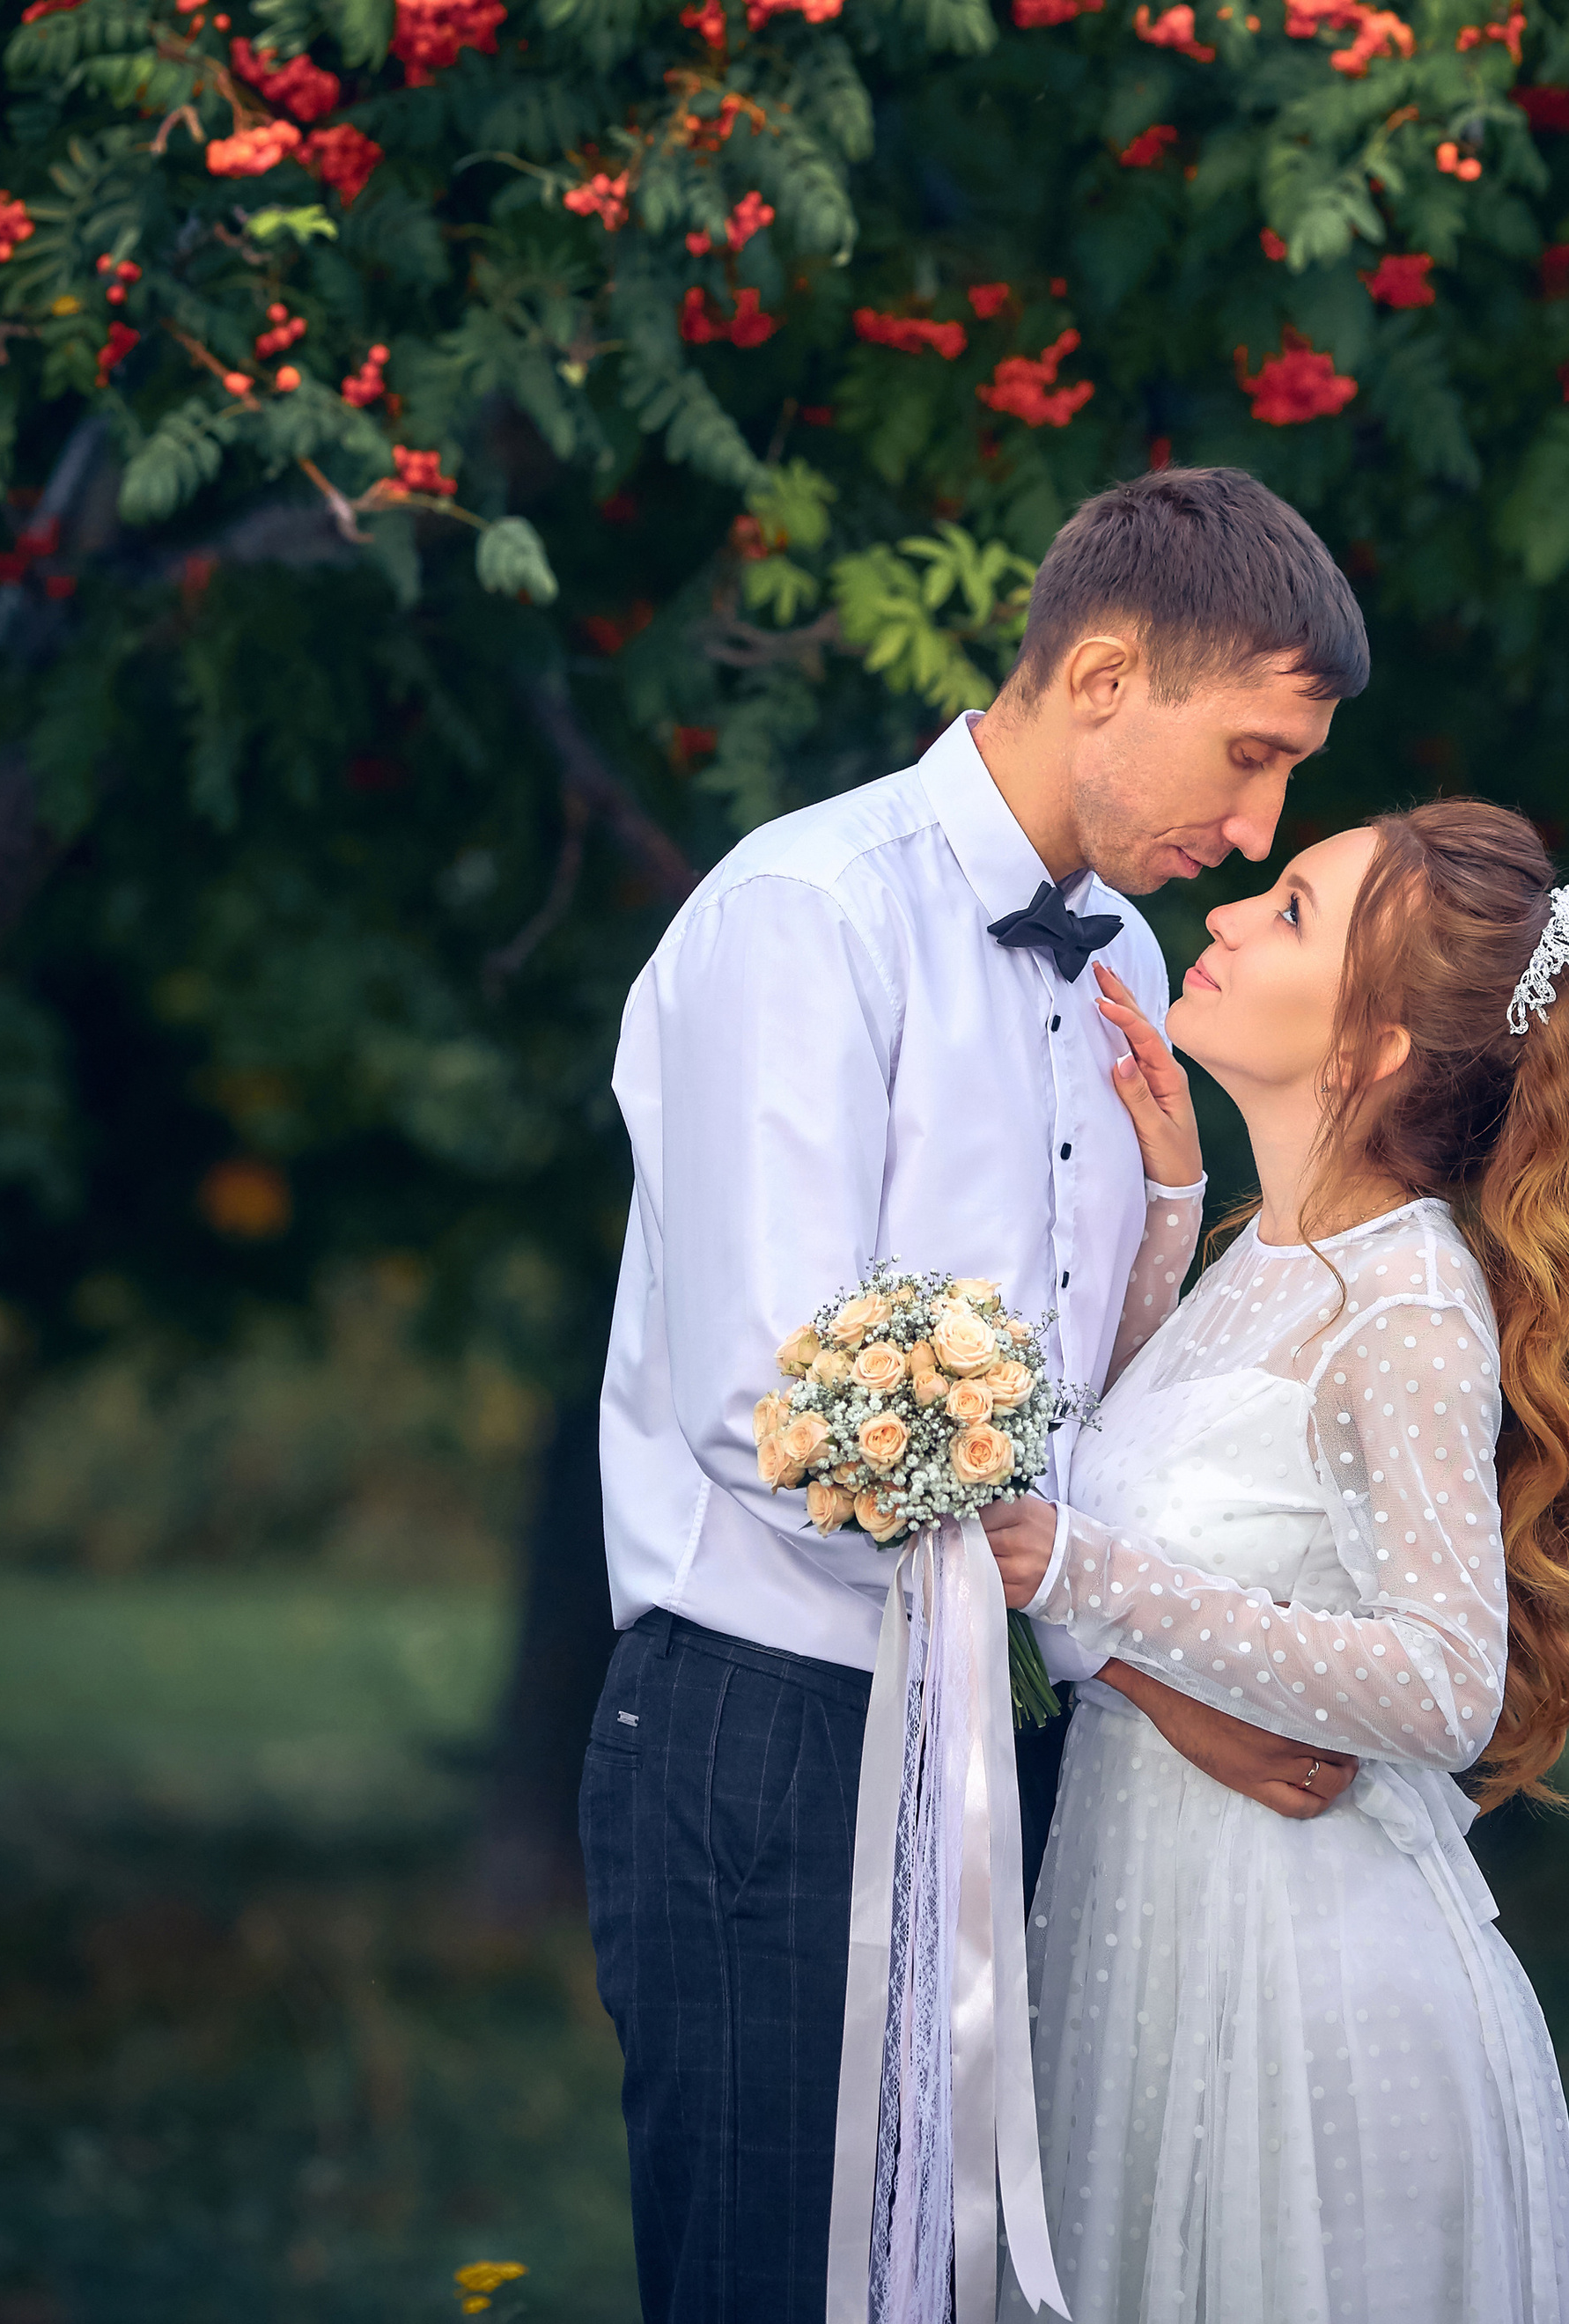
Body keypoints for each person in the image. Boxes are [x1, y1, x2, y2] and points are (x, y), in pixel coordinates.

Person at [581, 467, 1373, 2324]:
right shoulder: (804, 914)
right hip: (767, 1727)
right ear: (1101, 675)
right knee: (775, 2281)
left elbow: (1087, 1398)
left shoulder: (1129, 958)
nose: (1260, 825)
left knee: (978, 2278)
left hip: (1015, 1729)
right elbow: (780, 1407)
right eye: (1248, 758)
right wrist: (1147, 1662)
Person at [984, 799, 1569, 2324]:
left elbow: (1446, 1685)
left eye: (1294, 911)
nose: (1232, 913)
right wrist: (1172, 1211)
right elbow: (1132, 1502)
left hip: (1299, 1990)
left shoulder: (1407, 1311)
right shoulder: (1276, 1252)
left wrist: (1083, 1584)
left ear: (1371, 1049)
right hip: (1155, 1936)